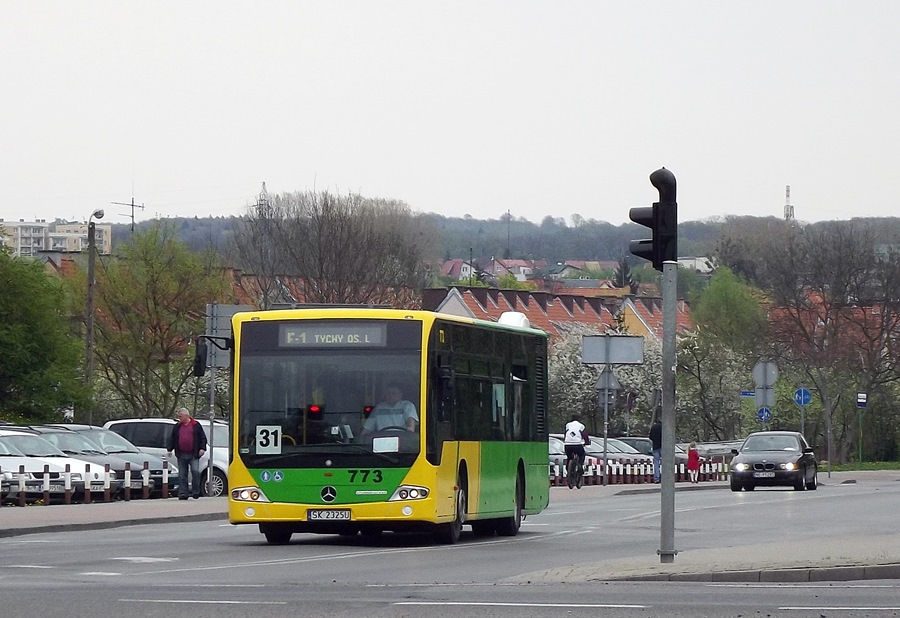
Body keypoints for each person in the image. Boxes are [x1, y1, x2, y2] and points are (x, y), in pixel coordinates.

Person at [167, 408, 208, 500]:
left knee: (195, 471)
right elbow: (173, 438)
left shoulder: (196, 425)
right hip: (181, 453)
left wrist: (202, 448)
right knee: (182, 474)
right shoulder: (177, 426)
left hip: (193, 454)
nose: (179, 418)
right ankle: (183, 493)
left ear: (186, 416)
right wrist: (169, 449)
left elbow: (202, 438)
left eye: (180, 416)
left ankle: (195, 492)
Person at [563, 414, 589, 489]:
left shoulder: (568, 425)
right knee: (582, 455)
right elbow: (585, 435)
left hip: (567, 445)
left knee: (569, 457)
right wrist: (587, 442)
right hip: (578, 445)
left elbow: (566, 434)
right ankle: (580, 465)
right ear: (579, 419)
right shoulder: (581, 426)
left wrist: (566, 440)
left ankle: (569, 469)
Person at [649, 419, 662, 483]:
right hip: (663, 447)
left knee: (656, 463)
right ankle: (665, 477)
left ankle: (657, 478)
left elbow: (650, 437)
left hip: (655, 447)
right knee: (665, 463)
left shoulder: (653, 427)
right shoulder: (664, 427)